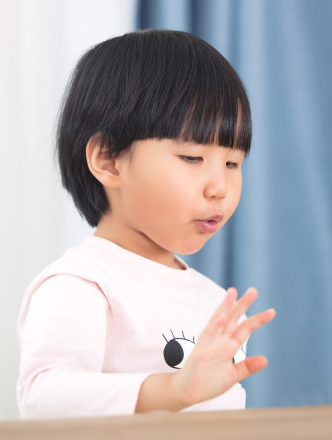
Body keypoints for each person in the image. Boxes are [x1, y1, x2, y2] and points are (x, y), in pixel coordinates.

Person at [16, 29, 276, 419]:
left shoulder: (211, 297)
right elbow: (42, 398)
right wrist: (169, 390)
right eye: (191, 158)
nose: (219, 187)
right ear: (108, 161)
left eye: (232, 163)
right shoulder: (83, 284)